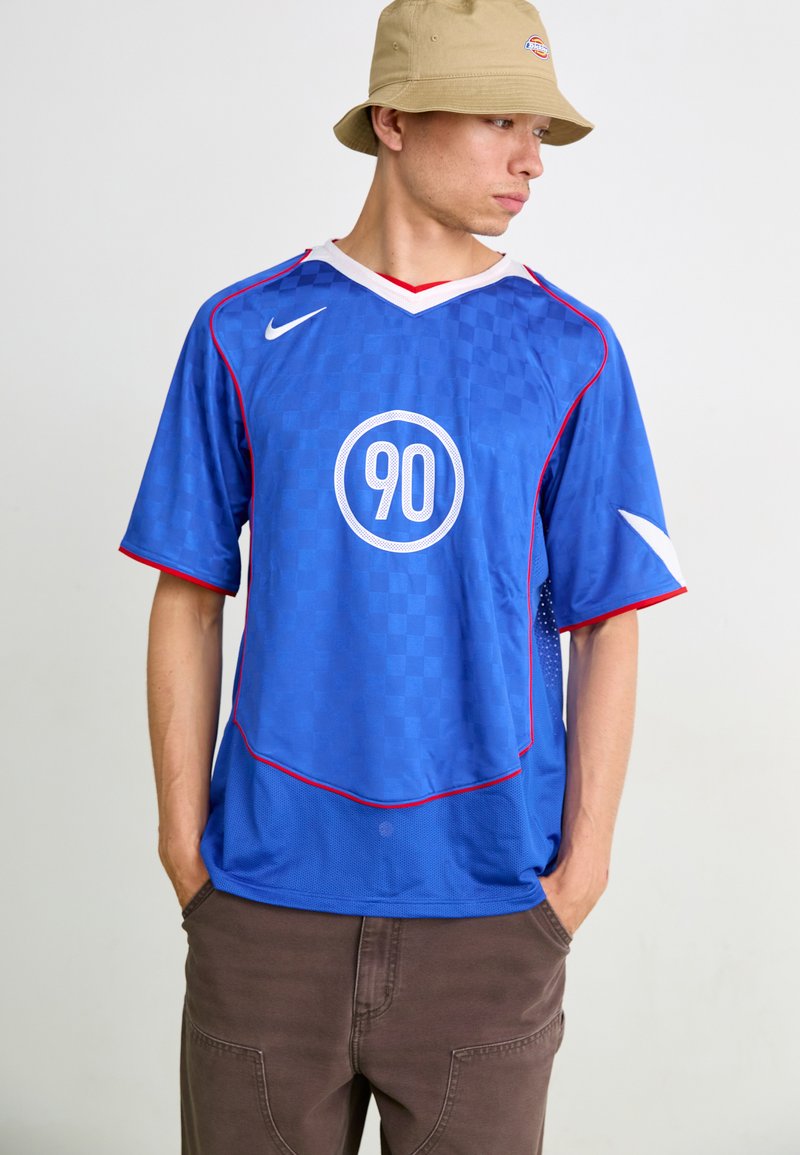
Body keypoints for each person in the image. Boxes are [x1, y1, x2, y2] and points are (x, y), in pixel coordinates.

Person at [119, 1, 688, 1151]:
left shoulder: (568, 349)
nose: (529, 161)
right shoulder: (243, 329)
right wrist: (186, 852)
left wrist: (578, 875)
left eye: (537, 129)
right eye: (496, 121)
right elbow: (187, 592)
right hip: (264, 905)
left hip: (489, 911)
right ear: (391, 121)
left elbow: (607, 620)